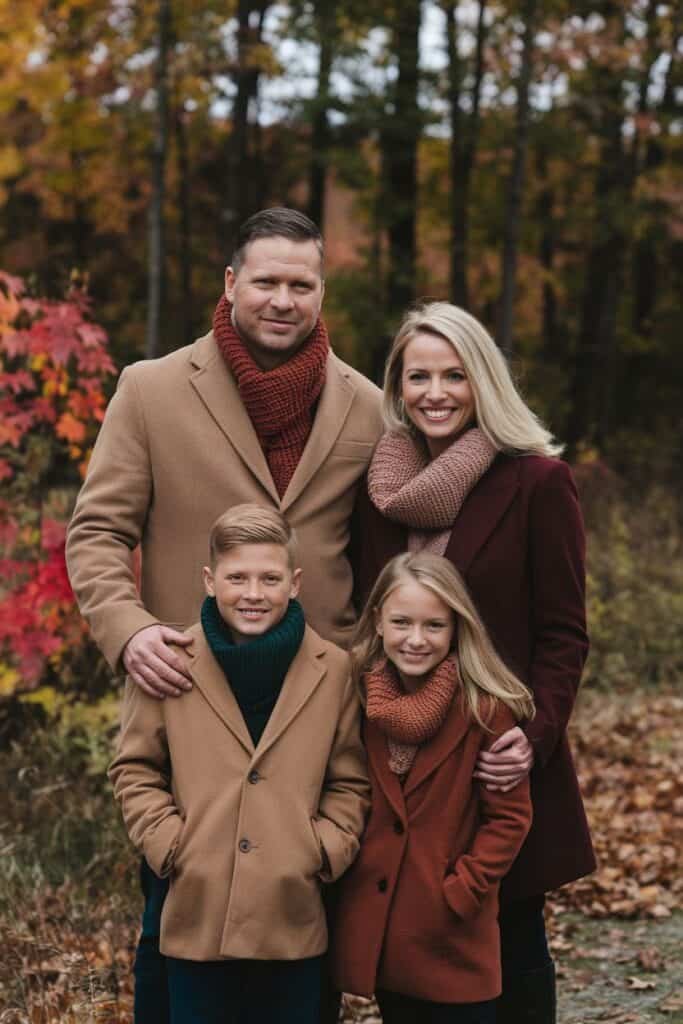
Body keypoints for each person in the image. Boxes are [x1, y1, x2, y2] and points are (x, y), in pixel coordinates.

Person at [65, 207, 382, 1022]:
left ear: (321, 292)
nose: (283, 299)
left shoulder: (367, 407)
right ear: (232, 283)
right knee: (168, 933)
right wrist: (129, 630)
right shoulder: (152, 387)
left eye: (301, 284)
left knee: (306, 944)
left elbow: (388, 555)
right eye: (267, 281)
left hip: (314, 707)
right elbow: (97, 532)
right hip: (184, 698)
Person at [353, 301, 596, 1023]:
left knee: (512, 948)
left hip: (494, 760)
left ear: (481, 380)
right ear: (396, 387)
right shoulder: (377, 496)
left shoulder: (536, 484)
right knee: (406, 955)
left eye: (453, 375)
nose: (435, 392)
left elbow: (562, 634)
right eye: (417, 375)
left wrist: (537, 734)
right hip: (403, 770)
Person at [109, 504, 369, 1024]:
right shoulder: (169, 659)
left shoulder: (334, 670)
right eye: (237, 578)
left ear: (294, 584)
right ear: (210, 580)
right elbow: (134, 769)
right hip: (194, 913)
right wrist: (172, 846)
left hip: (291, 915)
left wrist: (321, 850)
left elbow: (351, 781)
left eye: (270, 578)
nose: (253, 593)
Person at [332, 551, 533, 1023]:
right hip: (382, 928)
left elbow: (510, 818)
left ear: (457, 628)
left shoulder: (485, 709)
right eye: (402, 622)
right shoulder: (356, 699)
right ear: (378, 622)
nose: (416, 640)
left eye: (434, 626)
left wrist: (464, 889)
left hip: (452, 930)